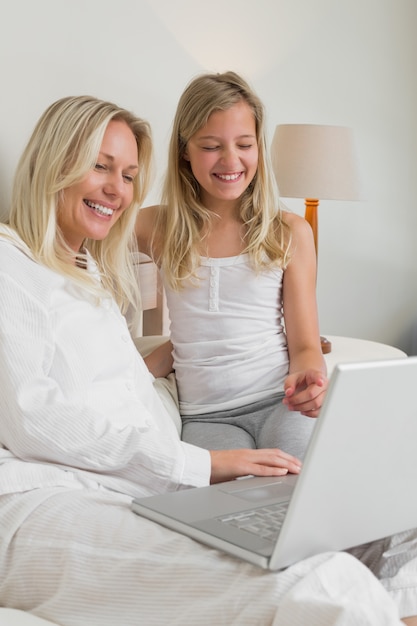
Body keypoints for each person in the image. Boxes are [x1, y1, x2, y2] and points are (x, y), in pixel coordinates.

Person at [0, 95, 416, 626]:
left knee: (396, 516)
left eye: (128, 174)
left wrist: (187, 358)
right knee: (319, 578)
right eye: (99, 165)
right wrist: (202, 466)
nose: (117, 190)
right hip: (58, 494)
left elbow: (128, 377)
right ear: (52, 161)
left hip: (147, 481)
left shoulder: (89, 276)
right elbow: (33, 416)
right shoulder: (12, 267)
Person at [136, 71, 327, 461]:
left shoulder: (288, 231)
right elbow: (75, 234)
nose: (231, 160)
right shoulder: (155, 226)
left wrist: (310, 377)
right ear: (185, 150)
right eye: (211, 146)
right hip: (207, 417)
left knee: (301, 483)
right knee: (223, 501)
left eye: (244, 144)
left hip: (279, 401)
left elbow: (306, 344)